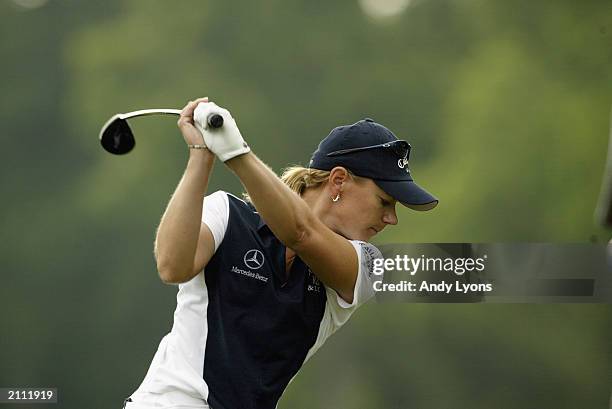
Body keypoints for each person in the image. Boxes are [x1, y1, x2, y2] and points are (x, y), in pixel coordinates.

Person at [122, 97, 438, 409]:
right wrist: (201, 155)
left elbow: (301, 233)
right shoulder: (226, 214)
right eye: (384, 201)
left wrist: (235, 153)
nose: (391, 218)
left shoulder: (368, 267)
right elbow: (172, 266)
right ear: (339, 180)